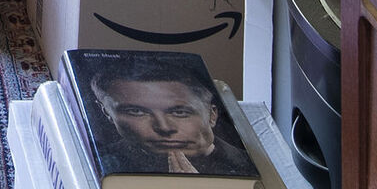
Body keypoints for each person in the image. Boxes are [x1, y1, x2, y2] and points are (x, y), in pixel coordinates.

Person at [78, 52, 250, 175]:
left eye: (179, 112)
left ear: (212, 115)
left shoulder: (245, 165)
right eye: (137, 111)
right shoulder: (92, 166)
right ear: (106, 112)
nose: (164, 127)